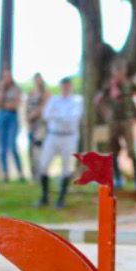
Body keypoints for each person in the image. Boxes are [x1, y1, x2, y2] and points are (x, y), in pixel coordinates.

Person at [94, 59, 136, 190]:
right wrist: (106, 113)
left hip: (126, 121)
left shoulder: (130, 85)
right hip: (113, 122)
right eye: (115, 71)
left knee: (131, 151)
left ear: (124, 71)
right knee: (113, 151)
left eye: (120, 71)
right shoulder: (110, 86)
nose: (118, 74)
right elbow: (97, 100)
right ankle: (117, 178)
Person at [38, 77, 83, 208]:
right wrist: (61, 116)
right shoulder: (54, 100)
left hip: (69, 136)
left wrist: (57, 116)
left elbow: (73, 118)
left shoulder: (77, 100)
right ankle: (44, 196)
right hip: (53, 135)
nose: (65, 88)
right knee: (44, 164)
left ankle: (61, 198)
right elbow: (46, 115)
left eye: (67, 86)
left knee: (66, 167)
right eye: (63, 86)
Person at [0, 69, 25, 182]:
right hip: (1, 117)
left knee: (12, 146)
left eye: (9, 76)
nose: (7, 79)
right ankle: (5, 174)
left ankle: (20, 173)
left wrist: (5, 105)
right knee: (2, 147)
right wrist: (2, 89)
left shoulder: (16, 89)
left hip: (12, 117)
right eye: (5, 77)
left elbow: (16, 104)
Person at [25, 73, 49, 182]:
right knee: (31, 150)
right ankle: (33, 175)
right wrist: (28, 120)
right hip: (31, 125)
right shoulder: (30, 93)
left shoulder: (46, 94)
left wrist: (34, 114)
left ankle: (41, 174)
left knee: (39, 149)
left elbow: (44, 107)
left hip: (41, 125)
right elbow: (26, 109)